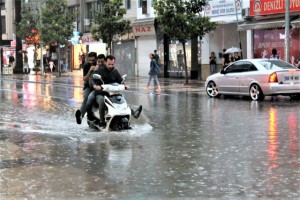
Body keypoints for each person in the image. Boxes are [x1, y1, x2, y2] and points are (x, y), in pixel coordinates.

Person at [87, 55, 142, 128]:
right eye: (109, 64)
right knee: (98, 100)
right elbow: (91, 79)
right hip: (100, 92)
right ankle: (100, 120)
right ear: (105, 62)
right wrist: (95, 86)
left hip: (112, 93)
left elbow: (120, 81)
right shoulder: (100, 70)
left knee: (121, 99)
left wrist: (125, 85)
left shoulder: (115, 71)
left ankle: (133, 112)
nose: (110, 66)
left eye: (112, 64)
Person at [75, 52, 98, 125]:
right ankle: (81, 115)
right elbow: (85, 79)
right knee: (87, 98)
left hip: (99, 86)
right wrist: (90, 70)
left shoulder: (100, 64)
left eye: (93, 60)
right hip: (88, 86)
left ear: (96, 59)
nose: (91, 62)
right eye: (90, 60)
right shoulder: (86, 65)